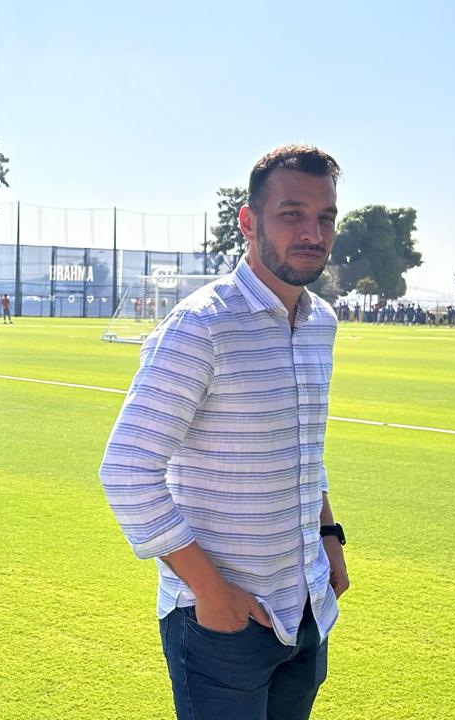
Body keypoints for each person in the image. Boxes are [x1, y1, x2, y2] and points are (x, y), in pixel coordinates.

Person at [100, 144, 349, 720]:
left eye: (325, 217)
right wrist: (212, 594)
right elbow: (127, 471)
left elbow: (304, 446)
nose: (313, 232)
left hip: (308, 605)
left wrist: (330, 534)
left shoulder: (321, 323)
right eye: (292, 214)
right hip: (221, 625)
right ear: (249, 220)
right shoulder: (200, 326)